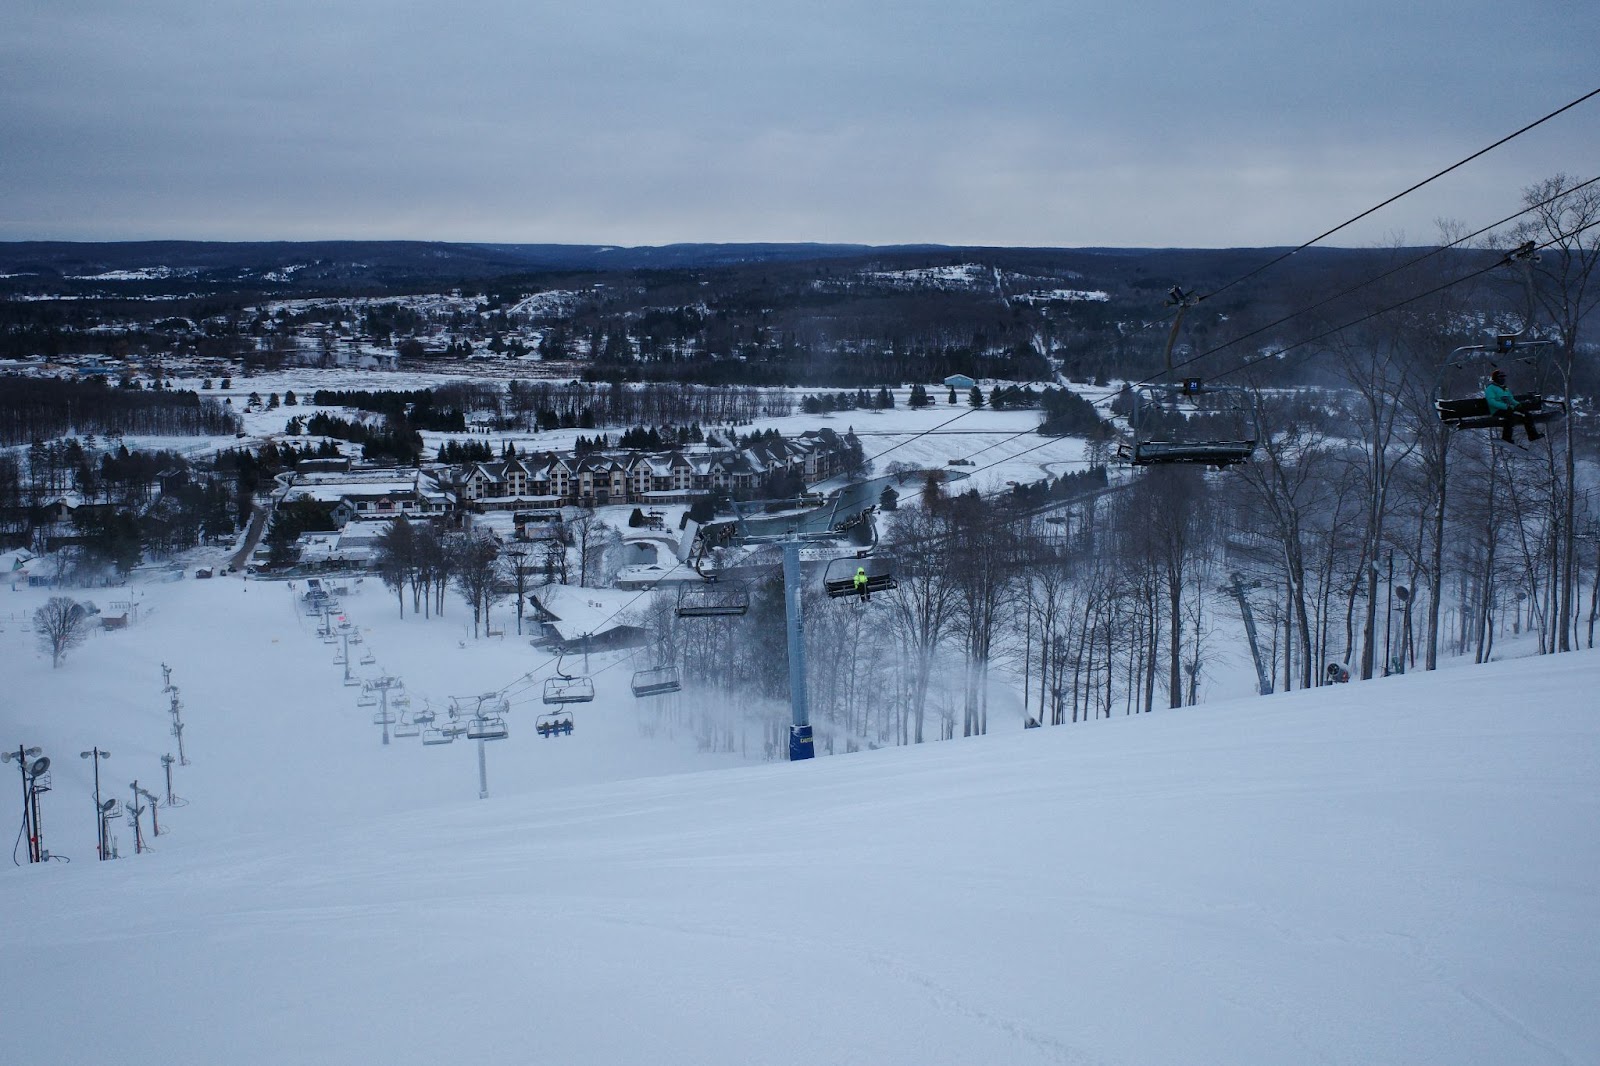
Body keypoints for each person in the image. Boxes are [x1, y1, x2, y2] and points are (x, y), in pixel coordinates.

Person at [1484, 368, 1543, 444]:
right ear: (1496, 378)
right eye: (1500, 377)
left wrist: (1518, 405)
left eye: (1503, 377)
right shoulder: (1490, 389)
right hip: (1497, 410)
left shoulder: (1504, 388)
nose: (1503, 379)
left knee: (1527, 415)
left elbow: (1511, 399)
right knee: (1510, 416)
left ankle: (1532, 435)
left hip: (1509, 409)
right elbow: (1491, 401)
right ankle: (1506, 438)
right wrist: (1505, 406)